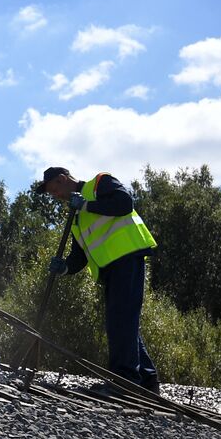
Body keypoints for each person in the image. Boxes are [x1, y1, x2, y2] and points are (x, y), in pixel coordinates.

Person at [40, 166, 160, 393]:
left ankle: (124, 381)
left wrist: (86, 205)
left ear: (63, 179)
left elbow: (125, 203)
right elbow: (79, 256)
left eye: (54, 190)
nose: (55, 196)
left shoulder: (98, 184)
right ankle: (147, 382)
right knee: (125, 322)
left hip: (127, 259)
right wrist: (64, 268)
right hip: (111, 270)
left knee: (120, 321)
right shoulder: (77, 217)